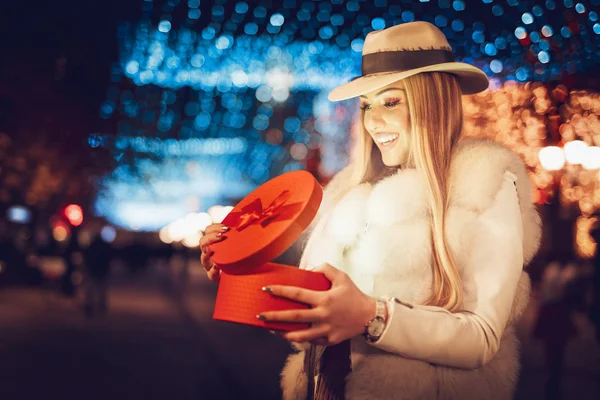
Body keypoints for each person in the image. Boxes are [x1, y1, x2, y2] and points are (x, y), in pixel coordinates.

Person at [200, 21, 542, 400]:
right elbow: (312, 315)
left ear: (433, 102)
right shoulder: (347, 193)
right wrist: (240, 271)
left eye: (391, 101)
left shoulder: (484, 182)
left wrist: (372, 316)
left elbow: (482, 338)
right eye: (366, 106)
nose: (373, 121)